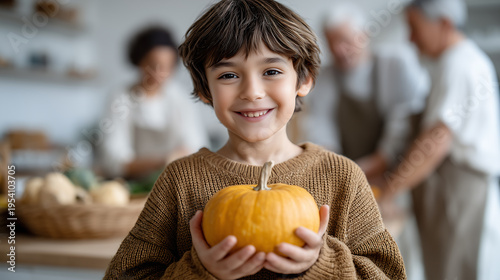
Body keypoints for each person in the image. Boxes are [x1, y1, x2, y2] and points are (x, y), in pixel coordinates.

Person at [104, 0, 406, 279]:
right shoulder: (179, 181)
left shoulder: (344, 178)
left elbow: (388, 273)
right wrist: (199, 270)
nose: (252, 92)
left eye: (271, 71)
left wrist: (323, 263)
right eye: (228, 76)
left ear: (304, 80)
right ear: (204, 90)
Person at [380, 0, 500, 279]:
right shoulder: (450, 63)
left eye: (414, 28)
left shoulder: (459, 65)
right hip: (449, 190)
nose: (410, 39)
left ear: (444, 24)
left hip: (458, 193)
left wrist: (389, 191)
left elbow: (435, 141)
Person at [304, 2, 429, 183]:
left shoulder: (395, 64)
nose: (339, 50)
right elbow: (322, 129)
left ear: (364, 35)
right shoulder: (325, 79)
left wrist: (378, 162)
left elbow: (401, 124)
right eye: (332, 43)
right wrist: (337, 168)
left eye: (345, 40)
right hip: (347, 174)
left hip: (396, 172)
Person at [99, 26, 208, 179]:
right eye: (152, 65)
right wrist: (160, 162)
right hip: (130, 184)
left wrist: (181, 156)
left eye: (166, 67)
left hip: (173, 181)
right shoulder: (121, 98)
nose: (159, 74)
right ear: (139, 61)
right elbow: (113, 159)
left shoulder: (180, 98)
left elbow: (197, 145)